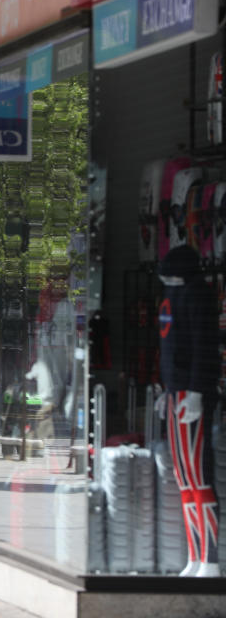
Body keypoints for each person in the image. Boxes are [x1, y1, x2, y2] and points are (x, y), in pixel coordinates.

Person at [156, 245, 220, 577]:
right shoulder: (173, 293)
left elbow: (205, 345)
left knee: (197, 475)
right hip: (175, 392)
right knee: (184, 478)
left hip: (189, 395)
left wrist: (196, 390)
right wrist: (167, 388)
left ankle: (208, 558)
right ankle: (196, 556)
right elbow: (171, 345)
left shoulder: (197, 295)